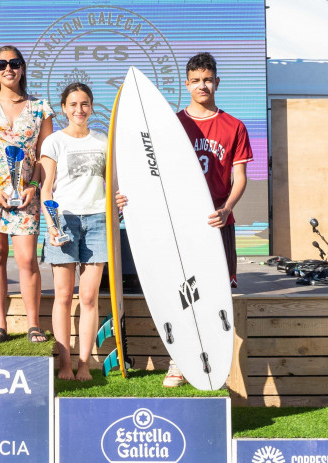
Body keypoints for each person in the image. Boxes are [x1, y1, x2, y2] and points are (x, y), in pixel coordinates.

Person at [117, 52, 253, 386]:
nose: (202, 85)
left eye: (208, 79)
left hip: (214, 223)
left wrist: (228, 208)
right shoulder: (171, 124)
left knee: (215, 291)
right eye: (195, 80)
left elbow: (240, 177)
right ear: (187, 84)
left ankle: (219, 362)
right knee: (178, 290)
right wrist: (128, 197)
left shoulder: (234, 126)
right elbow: (147, 171)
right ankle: (179, 361)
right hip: (177, 225)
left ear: (217, 82)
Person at [0, 45, 54, 343]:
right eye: (1, 64)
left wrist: (35, 186)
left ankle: (33, 325)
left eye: (14, 63)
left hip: (26, 197)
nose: (8, 68)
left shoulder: (40, 107)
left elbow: (46, 155)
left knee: (28, 259)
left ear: (22, 68)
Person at [39, 83, 107, 381]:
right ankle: (64, 365)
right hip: (64, 221)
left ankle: (84, 364)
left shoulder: (104, 140)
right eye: (73, 104)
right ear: (64, 108)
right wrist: (52, 225)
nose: (79, 110)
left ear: (91, 107)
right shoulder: (54, 141)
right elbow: (46, 189)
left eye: (84, 104)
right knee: (64, 296)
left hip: (99, 222)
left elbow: (113, 183)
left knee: (89, 297)